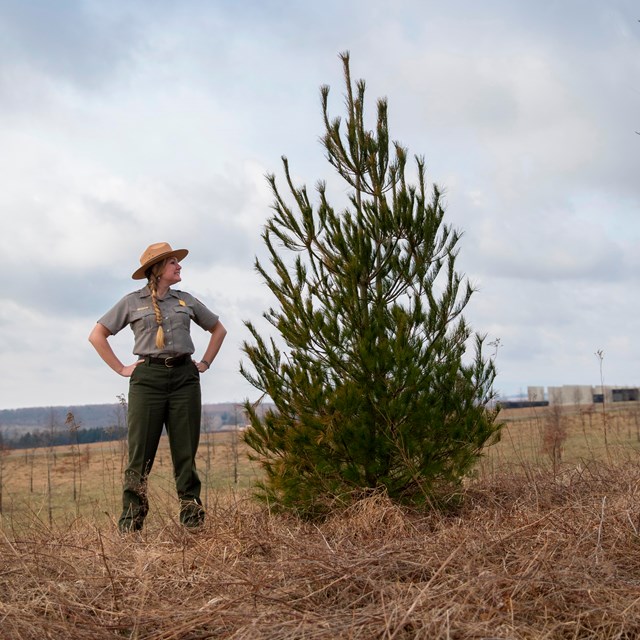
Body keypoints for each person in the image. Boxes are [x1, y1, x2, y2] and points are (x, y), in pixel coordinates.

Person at [88, 242, 227, 532]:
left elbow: (218, 329)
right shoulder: (131, 302)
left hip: (184, 380)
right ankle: (130, 526)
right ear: (157, 269)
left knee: (185, 454)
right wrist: (121, 368)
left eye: (178, 262)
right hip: (147, 381)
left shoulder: (185, 300)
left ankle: (193, 522)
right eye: (173, 262)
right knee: (140, 456)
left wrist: (205, 362)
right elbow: (97, 335)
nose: (179, 266)